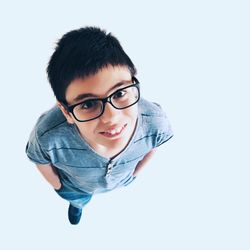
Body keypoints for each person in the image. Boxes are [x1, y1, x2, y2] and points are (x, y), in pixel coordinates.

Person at [25, 26, 173, 225]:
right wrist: (60, 186)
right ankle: (78, 205)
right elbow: (38, 157)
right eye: (88, 104)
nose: (112, 117)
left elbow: (155, 143)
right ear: (66, 112)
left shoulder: (155, 121)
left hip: (121, 179)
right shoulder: (48, 136)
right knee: (79, 200)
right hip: (76, 188)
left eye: (120, 93)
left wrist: (133, 175)